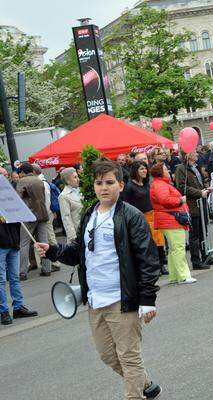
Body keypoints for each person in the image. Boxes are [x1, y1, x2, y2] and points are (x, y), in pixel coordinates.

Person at [35, 159, 162, 399]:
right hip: (94, 300)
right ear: (93, 185)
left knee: (129, 357)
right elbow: (77, 252)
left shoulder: (131, 216)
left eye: (110, 182)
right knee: (108, 356)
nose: (104, 187)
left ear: (121, 185)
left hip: (123, 300)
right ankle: (146, 384)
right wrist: (52, 250)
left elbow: (148, 260)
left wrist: (147, 299)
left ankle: (135, 394)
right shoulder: (89, 213)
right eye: (99, 182)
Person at [0, 167, 38, 325]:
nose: (5, 178)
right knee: (1, 279)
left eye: (6, 175)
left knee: (14, 278)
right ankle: (3, 311)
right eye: (2, 175)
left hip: (13, 241)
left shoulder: (11, 196)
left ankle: (17, 307)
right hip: (1, 243)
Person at [149, 162, 196, 284]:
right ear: (160, 172)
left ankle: (175, 275)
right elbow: (164, 200)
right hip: (170, 219)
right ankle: (183, 275)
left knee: (173, 249)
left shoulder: (160, 184)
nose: (168, 170)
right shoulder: (160, 184)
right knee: (178, 248)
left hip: (168, 218)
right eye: (165, 169)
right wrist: (180, 200)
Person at [174, 150, 213, 269]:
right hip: (193, 205)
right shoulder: (181, 168)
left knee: (204, 232)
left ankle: (206, 256)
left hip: (201, 204)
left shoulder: (195, 167)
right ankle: (196, 260)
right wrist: (200, 193)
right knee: (195, 234)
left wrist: (206, 189)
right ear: (187, 155)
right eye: (194, 153)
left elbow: (197, 184)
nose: (197, 155)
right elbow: (181, 187)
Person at [121, 161, 169, 275]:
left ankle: (161, 265)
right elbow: (125, 204)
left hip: (153, 215)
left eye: (145, 169)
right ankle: (151, 268)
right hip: (141, 219)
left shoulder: (147, 184)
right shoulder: (129, 187)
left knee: (159, 242)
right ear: (135, 171)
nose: (145, 171)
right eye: (141, 169)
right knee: (147, 244)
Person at [16, 162, 51, 280]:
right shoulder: (39, 181)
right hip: (42, 214)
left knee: (24, 244)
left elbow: (18, 199)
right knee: (43, 241)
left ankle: (22, 272)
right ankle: (47, 268)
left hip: (29, 215)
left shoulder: (22, 181)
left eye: (19, 173)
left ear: (22, 172)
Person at [58, 167, 83, 243]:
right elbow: (66, 218)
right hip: (77, 234)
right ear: (67, 181)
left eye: (77, 176)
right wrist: (73, 238)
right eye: (75, 177)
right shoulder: (63, 196)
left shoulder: (81, 191)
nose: (78, 179)